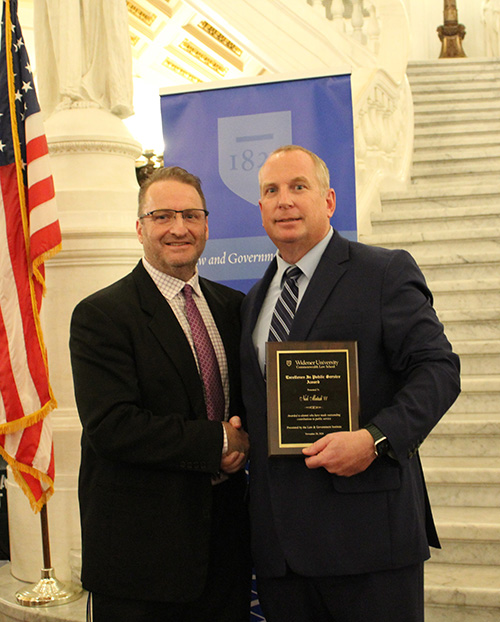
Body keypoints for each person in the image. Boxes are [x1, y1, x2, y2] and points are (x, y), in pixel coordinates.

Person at [240, 145, 461, 622]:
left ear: (329, 200)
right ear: (260, 208)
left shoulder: (382, 271)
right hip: (281, 553)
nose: (284, 201)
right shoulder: (255, 298)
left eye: (299, 187)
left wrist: (375, 439)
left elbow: (438, 370)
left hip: (368, 545)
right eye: (271, 191)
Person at [70, 166, 251, 622]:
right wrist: (219, 443)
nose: (178, 228)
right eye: (162, 215)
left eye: (191, 215)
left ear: (207, 225)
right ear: (140, 227)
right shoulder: (101, 315)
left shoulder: (234, 307)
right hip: (141, 561)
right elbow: (112, 427)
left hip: (225, 550)